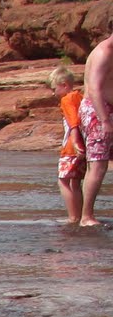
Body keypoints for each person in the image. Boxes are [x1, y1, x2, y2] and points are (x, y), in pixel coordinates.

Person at [82, 35, 113, 227]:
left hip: (107, 110)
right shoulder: (104, 52)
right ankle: (86, 217)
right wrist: (105, 121)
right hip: (97, 111)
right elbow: (94, 89)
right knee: (98, 164)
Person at [53, 67, 87, 225]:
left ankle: (73, 217)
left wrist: (74, 141)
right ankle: (80, 215)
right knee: (75, 182)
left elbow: (73, 122)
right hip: (84, 146)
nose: (53, 93)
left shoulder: (67, 99)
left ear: (64, 85)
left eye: (54, 88)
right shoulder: (80, 97)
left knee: (63, 181)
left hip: (71, 148)